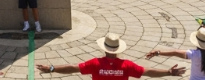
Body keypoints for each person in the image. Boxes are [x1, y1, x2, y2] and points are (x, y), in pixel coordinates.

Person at [37, 33, 186, 79]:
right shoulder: (127, 65)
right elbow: (148, 72)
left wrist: (52, 68)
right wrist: (168, 72)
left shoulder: (94, 63)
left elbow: (72, 68)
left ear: (104, 48)